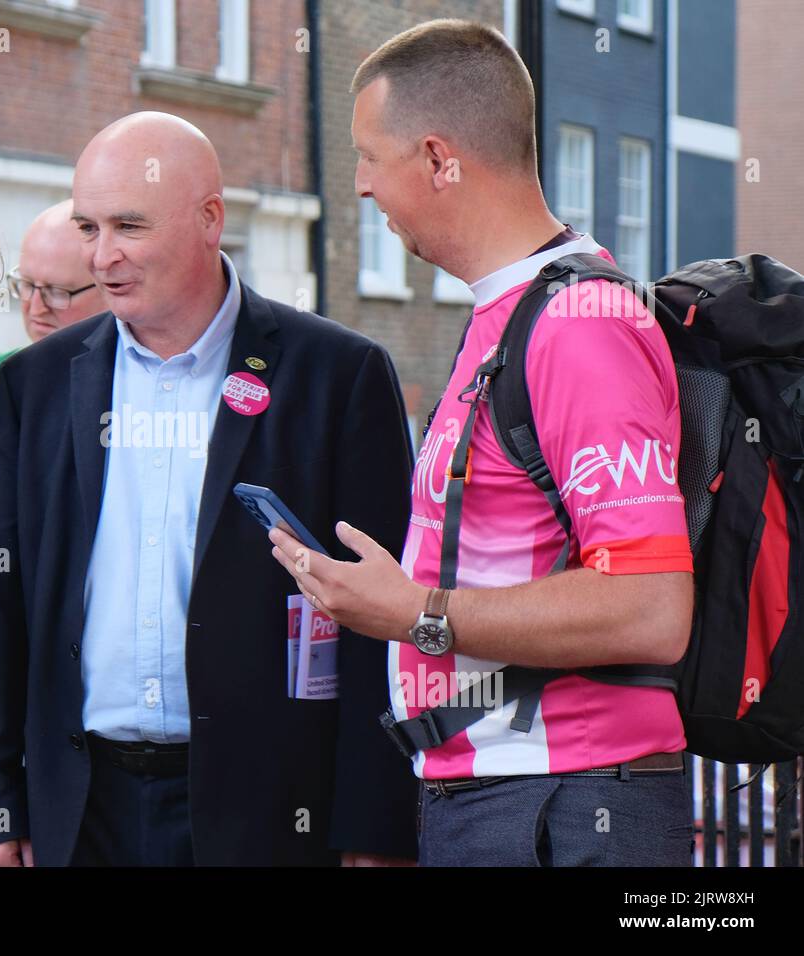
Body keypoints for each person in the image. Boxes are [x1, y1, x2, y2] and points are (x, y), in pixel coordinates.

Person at [269, 19, 695, 866]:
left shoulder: (579, 323)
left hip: (566, 804)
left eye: (368, 155)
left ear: (438, 159)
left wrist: (415, 613)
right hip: (515, 797)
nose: (358, 185)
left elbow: (652, 608)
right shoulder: (512, 311)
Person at [0, 112, 419, 867]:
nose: (102, 257)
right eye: (88, 227)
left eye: (129, 226)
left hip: (268, 814)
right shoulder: (34, 384)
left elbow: (382, 624)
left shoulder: (337, 375)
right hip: (79, 811)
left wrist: (372, 833)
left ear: (211, 219)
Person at [0, 199, 102, 426]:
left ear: (110, 288)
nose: (36, 307)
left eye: (57, 291)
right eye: (26, 284)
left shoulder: (135, 387)